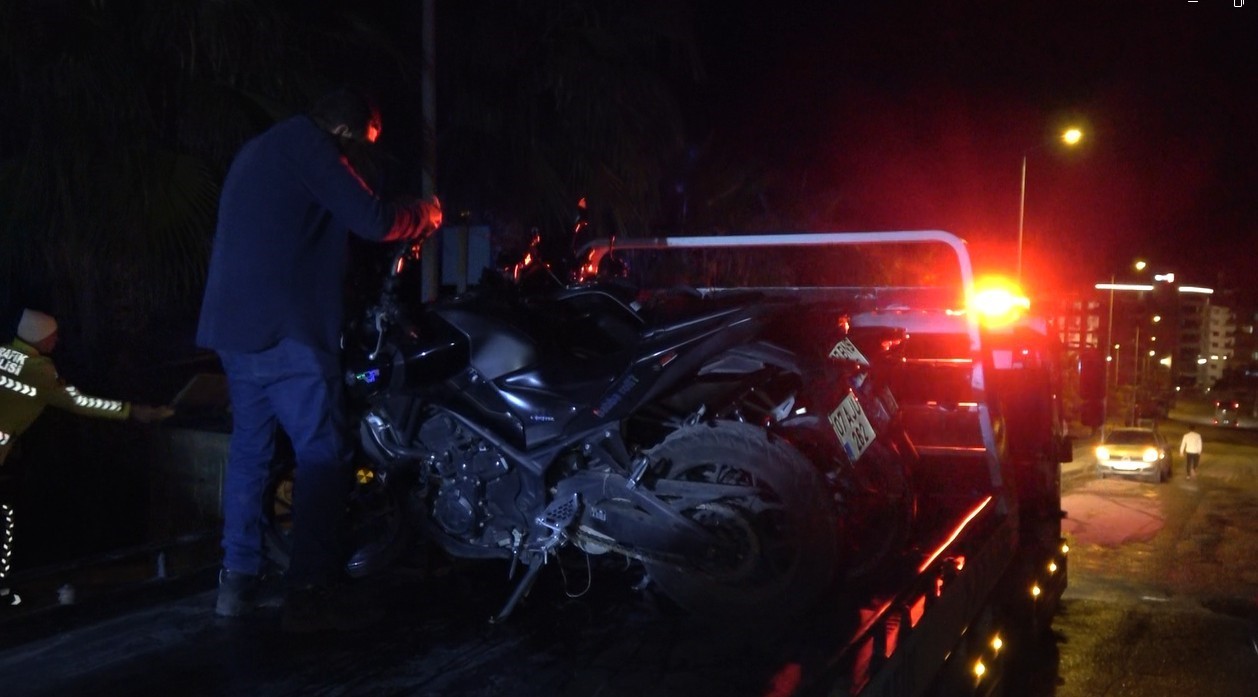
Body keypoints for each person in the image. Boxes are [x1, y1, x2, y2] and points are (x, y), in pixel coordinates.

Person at [196, 88, 441, 632]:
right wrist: (424, 214)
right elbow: (373, 219)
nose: (356, 160)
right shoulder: (310, 149)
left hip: (236, 332)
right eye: (361, 147)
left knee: (251, 453)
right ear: (347, 132)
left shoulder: (261, 148)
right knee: (322, 452)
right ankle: (310, 591)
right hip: (287, 333)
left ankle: (235, 584)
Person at [0, 308, 173, 607]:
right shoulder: (39, 370)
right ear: (40, 338)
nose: (56, 341)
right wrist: (134, 411)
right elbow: (81, 403)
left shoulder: (4, 353)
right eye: (52, 337)